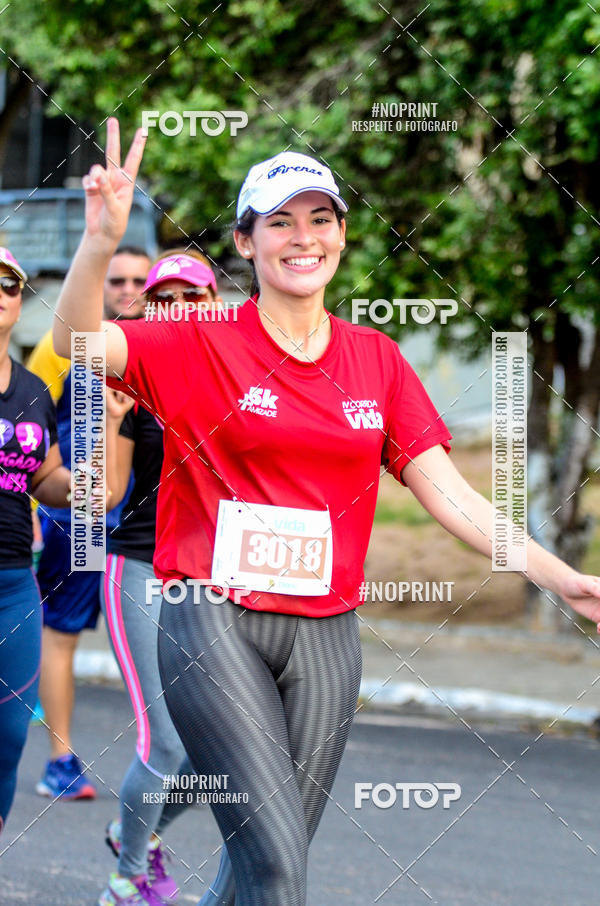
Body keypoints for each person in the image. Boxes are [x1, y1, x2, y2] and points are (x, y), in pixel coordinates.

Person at [53, 119, 600, 906]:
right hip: (211, 618)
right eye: (279, 221)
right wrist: (100, 242)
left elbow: (448, 492)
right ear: (246, 242)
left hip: (327, 637)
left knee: (261, 864)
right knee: (279, 868)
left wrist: (561, 579)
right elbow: (77, 343)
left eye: (320, 218)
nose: (302, 237)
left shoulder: (375, 359)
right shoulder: (198, 341)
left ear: (342, 235)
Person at [99, 249, 223, 906]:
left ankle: (132, 832)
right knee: (166, 741)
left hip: (210, 580)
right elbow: (102, 495)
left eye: (189, 297)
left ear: (212, 304)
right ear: (147, 307)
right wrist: (111, 421)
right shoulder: (129, 378)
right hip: (140, 568)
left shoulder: (235, 377)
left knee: (219, 760)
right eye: (163, 297)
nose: (175, 309)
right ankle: (123, 886)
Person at [28, 245, 151, 800]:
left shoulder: (172, 353)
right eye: (116, 279)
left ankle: (173, 765)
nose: (127, 289)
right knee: (64, 635)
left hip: (146, 532)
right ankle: (60, 760)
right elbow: (33, 431)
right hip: (82, 523)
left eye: (138, 280)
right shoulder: (80, 353)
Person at [0, 247, 71, 833]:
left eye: (9, 283)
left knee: (7, 736)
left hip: (13, 583)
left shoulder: (32, 391)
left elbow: (45, 477)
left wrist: (90, 479)